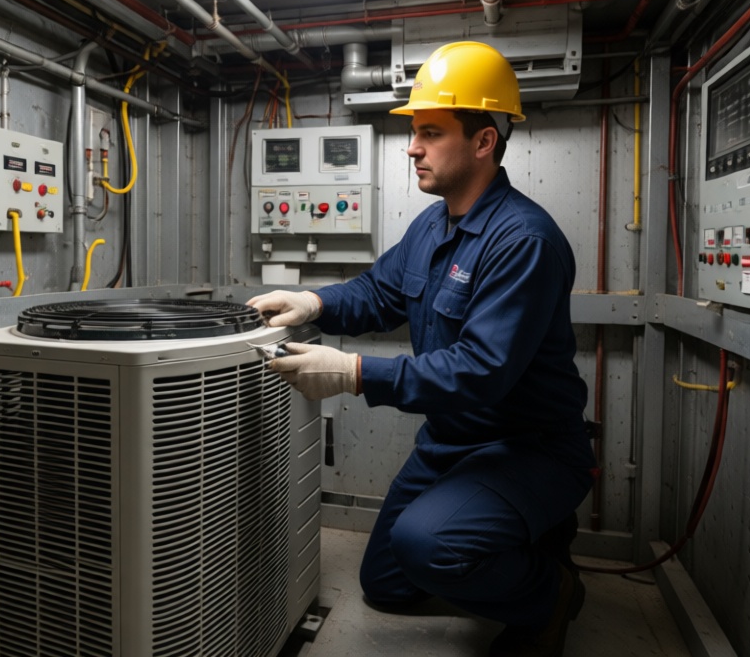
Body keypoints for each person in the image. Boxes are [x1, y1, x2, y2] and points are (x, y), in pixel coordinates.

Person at [247, 41, 595, 657]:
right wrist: (316, 304)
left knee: (428, 547)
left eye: (430, 132)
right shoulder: (433, 226)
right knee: (386, 585)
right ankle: (512, 542)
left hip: (526, 448)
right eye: (415, 132)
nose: (411, 146)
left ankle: (551, 592)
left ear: (484, 141)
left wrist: (354, 373)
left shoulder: (524, 241)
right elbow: (379, 292)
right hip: (450, 444)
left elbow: (481, 372)